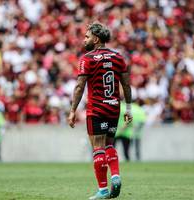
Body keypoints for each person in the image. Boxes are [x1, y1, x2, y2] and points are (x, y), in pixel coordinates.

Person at [68, 22, 132, 200]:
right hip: (113, 108)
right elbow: (126, 84)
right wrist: (128, 108)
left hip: (96, 109)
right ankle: (116, 176)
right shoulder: (118, 57)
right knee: (110, 145)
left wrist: (73, 110)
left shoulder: (87, 59)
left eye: (87, 37)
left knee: (98, 148)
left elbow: (80, 86)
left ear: (96, 39)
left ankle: (103, 190)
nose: (84, 39)